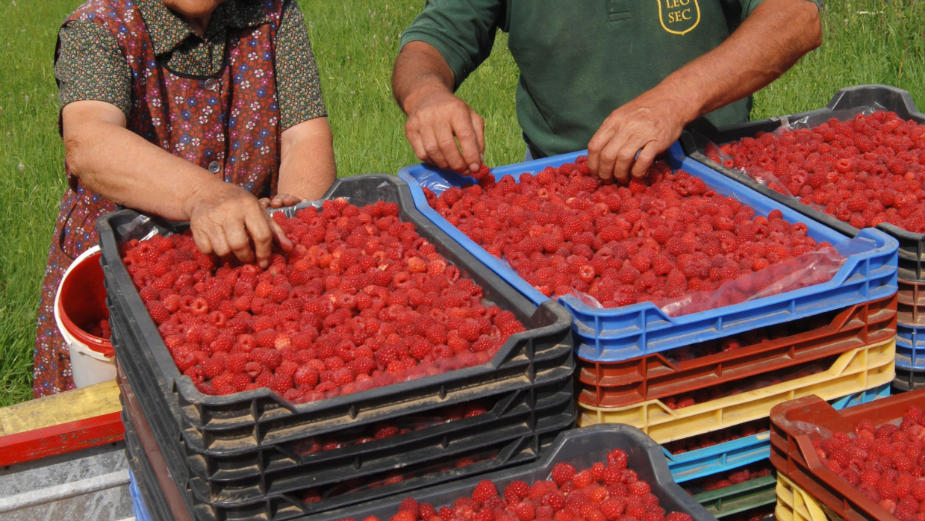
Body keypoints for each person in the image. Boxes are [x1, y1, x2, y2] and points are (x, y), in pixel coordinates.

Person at [34, 0, 336, 397]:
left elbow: (304, 136)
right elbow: (89, 142)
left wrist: (292, 220)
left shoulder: (272, 14)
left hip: (244, 272)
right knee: (116, 426)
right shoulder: (101, 26)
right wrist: (204, 194)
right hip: (129, 285)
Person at [391, 0, 821, 182]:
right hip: (567, 181)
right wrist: (425, 94)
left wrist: (673, 100)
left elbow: (796, 17)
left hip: (713, 171)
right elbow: (432, 40)